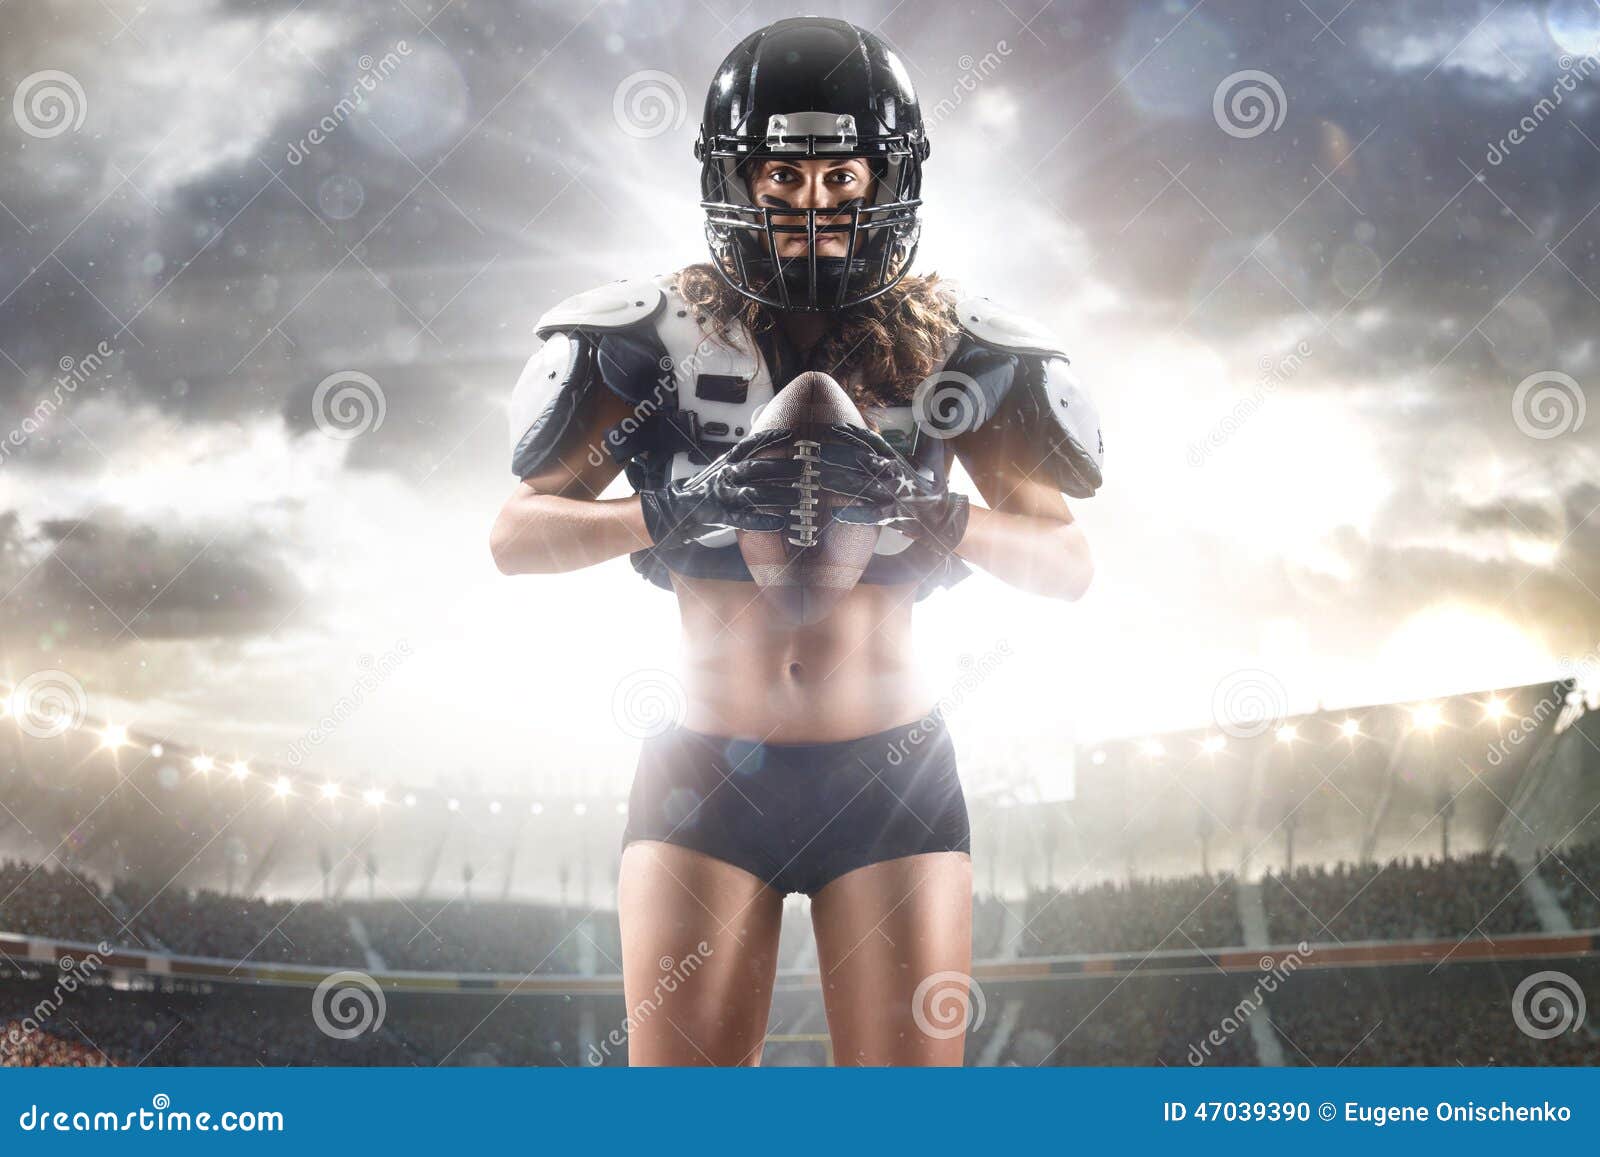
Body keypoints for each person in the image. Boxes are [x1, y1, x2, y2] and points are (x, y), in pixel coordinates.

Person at [491, 16, 1102, 1065]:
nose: (811, 205)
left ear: (888, 177)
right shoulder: (650, 336)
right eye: (781, 176)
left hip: (893, 767)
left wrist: (935, 513)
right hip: (704, 771)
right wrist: (677, 507)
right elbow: (514, 535)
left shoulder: (960, 345)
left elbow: (1067, 563)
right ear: (736, 178)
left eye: (839, 177)